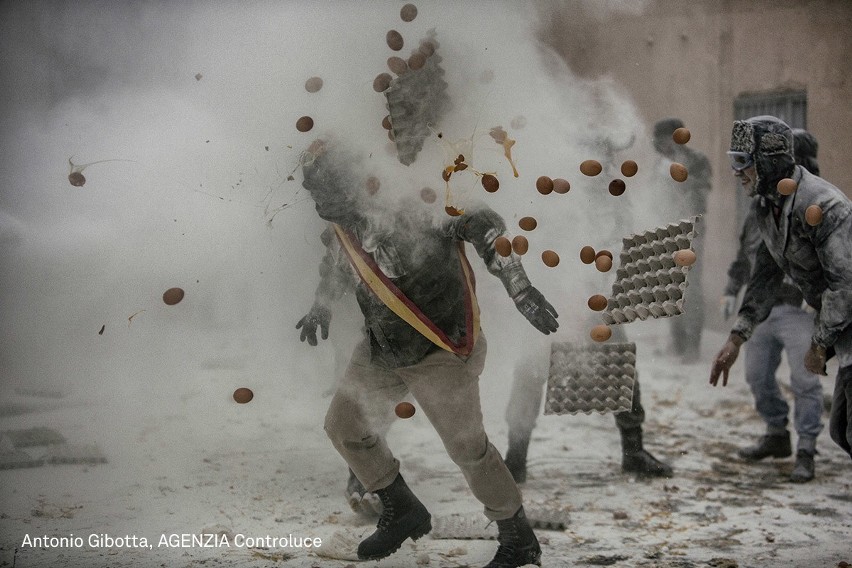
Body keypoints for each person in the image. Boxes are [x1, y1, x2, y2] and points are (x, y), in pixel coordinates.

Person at [295, 139, 559, 567]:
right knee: (344, 426)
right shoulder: (343, 225)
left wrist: (520, 287)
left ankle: (518, 535)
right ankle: (403, 512)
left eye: (324, 189)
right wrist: (321, 305)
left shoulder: (413, 200)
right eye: (312, 190)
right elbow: (338, 263)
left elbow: (485, 224)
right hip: (382, 346)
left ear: (351, 181)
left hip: (440, 343)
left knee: (467, 450)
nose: (317, 200)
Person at [710, 115, 852, 464]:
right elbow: (764, 275)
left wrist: (819, 343)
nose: (736, 171)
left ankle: (806, 451)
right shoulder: (766, 204)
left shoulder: (823, 204)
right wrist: (736, 337)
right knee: (842, 430)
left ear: (768, 161)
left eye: (743, 162)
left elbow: (845, 283)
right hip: (842, 329)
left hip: (842, 317)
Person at [719, 127, 824, 482]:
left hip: (799, 307)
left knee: (805, 380)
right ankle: (777, 434)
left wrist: (820, 302)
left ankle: (807, 449)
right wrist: (732, 289)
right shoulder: (762, 204)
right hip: (764, 304)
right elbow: (748, 251)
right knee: (757, 375)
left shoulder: (816, 202)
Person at [504, 321, 673, 483]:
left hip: (596, 301)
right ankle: (516, 458)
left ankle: (634, 451)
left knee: (619, 362)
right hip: (548, 304)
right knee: (529, 369)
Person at [653, 118, 712, 363]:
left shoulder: (697, 159)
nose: (656, 143)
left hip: (691, 230)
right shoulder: (660, 163)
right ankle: (676, 343)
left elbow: (701, 190)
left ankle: (692, 347)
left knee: (691, 288)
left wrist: (677, 175)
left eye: (661, 138)